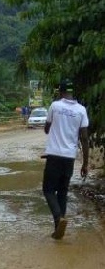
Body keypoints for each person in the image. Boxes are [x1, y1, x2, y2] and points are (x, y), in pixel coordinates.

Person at [42, 79, 89, 240]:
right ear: (72, 92)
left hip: (54, 155)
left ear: (60, 92)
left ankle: (58, 218)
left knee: (48, 190)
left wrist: (52, 125)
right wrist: (85, 163)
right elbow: (84, 138)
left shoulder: (55, 106)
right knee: (62, 191)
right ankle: (58, 230)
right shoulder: (81, 110)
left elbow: (47, 129)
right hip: (69, 157)